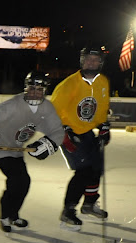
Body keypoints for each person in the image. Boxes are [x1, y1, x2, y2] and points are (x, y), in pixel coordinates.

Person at [0, 71, 64, 233]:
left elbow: (57, 131)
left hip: (16, 150)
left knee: (23, 182)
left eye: (39, 89)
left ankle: (13, 215)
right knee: (17, 179)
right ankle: (6, 216)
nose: (35, 92)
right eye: (32, 88)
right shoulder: (13, 105)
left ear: (45, 90)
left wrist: (48, 144)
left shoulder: (46, 107)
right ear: (26, 88)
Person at [50, 46, 111, 232]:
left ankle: (89, 204)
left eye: (95, 60)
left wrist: (103, 126)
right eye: (88, 59)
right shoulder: (69, 84)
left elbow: (101, 108)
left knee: (96, 168)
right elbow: (52, 111)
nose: (91, 63)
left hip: (87, 132)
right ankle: (68, 211)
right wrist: (62, 131)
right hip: (70, 133)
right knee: (83, 172)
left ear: (100, 63)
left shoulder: (103, 82)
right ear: (82, 61)